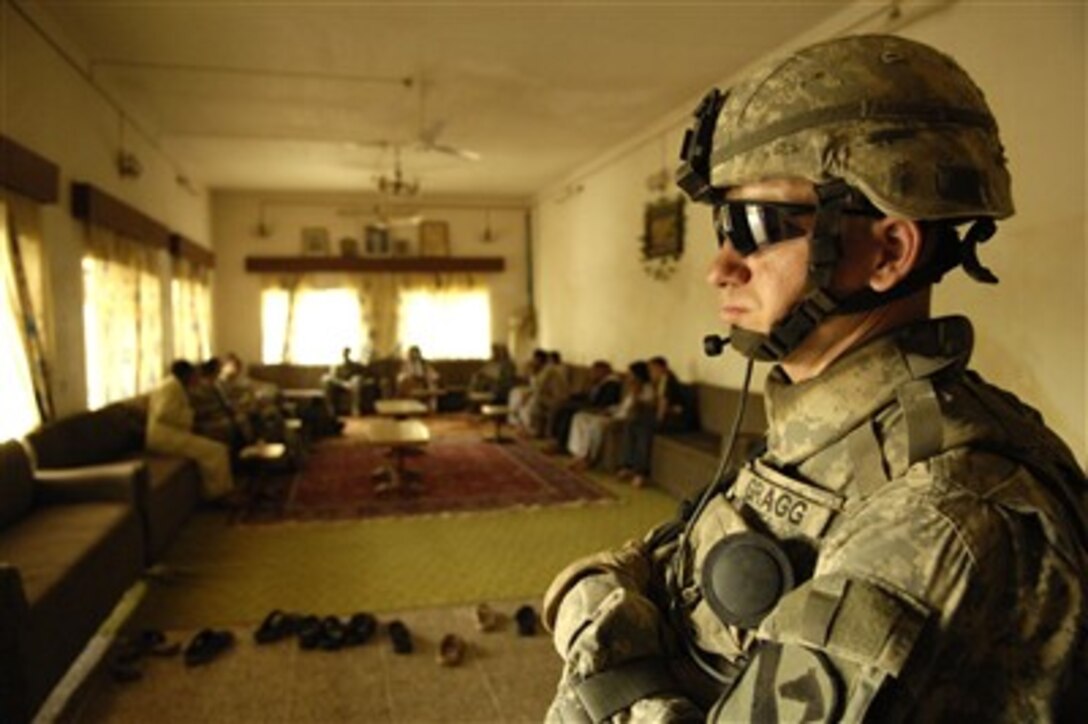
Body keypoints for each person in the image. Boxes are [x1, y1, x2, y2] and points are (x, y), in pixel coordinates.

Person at [543, 34, 1087, 722]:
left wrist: (609, 651)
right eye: (722, 223)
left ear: (889, 250)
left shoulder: (943, 513)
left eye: (757, 223)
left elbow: (610, 588)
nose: (721, 266)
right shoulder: (828, 438)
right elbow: (644, 566)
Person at [146, 360, 234, 502]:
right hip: (164, 438)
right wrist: (193, 417)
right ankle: (219, 495)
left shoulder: (174, 385)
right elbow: (164, 413)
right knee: (217, 451)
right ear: (186, 374)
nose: (196, 378)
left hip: (172, 433)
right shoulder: (169, 387)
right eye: (193, 375)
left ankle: (215, 491)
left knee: (216, 444)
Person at [567, 361, 652, 471]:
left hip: (623, 419)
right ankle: (578, 454)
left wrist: (636, 394)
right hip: (615, 413)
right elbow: (622, 405)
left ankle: (589, 458)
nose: (629, 376)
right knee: (579, 417)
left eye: (631, 374)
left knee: (595, 425)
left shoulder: (647, 389)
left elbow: (635, 410)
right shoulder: (631, 388)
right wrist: (609, 410)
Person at [550, 360, 624, 451]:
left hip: (598, 408)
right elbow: (588, 395)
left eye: (595, 371)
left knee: (569, 412)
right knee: (563, 405)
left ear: (603, 371)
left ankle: (562, 445)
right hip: (590, 404)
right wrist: (571, 396)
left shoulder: (612, 384)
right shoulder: (600, 382)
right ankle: (556, 440)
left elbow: (604, 402)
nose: (592, 373)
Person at [322, 346, 376, 417]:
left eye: (347, 354)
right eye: (344, 354)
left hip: (353, 385)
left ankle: (355, 408)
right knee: (326, 378)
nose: (345, 356)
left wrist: (356, 381)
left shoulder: (357, 365)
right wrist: (342, 383)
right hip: (340, 384)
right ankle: (330, 410)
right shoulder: (337, 366)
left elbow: (369, 379)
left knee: (356, 379)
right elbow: (333, 377)